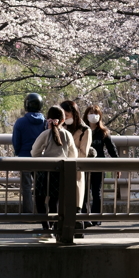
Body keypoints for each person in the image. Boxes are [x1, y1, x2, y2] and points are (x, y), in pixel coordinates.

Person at [31, 106, 77, 236]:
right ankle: (56, 228)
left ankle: (46, 228)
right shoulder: (67, 134)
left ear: (48, 119)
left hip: (45, 171)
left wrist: (42, 158)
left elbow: (34, 152)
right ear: (63, 120)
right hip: (61, 172)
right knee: (54, 201)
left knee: (40, 200)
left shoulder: (45, 134)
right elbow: (73, 155)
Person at [60, 99, 91, 233]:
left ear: (74, 114)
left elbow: (83, 154)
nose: (65, 119)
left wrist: (69, 148)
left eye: (67, 116)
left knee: (75, 202)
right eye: (63, 116)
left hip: (76, 169)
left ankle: (75, 229)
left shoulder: (85, 130)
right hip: (61, 168)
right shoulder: (60, 128)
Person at [83, 104, 117, 225]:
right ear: (86, 115)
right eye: (91, 113)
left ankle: (96, 217)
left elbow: (112, 149)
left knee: (96, 192)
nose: (94, 116)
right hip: (83, 165)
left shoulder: (103, 132)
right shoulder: (81, 130)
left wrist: (117, 166)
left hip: (98, 165)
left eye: (96, 113)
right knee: (84, 192)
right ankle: (83, 217)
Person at [12, 92, 45, 214]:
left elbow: (16, 141)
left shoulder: (21, 122)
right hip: (41, 158)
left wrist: (18, 152)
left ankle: (28, 212)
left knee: (26, 186)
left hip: (24, 158)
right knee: (40, 186)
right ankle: (42, 212)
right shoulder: (45, 122)